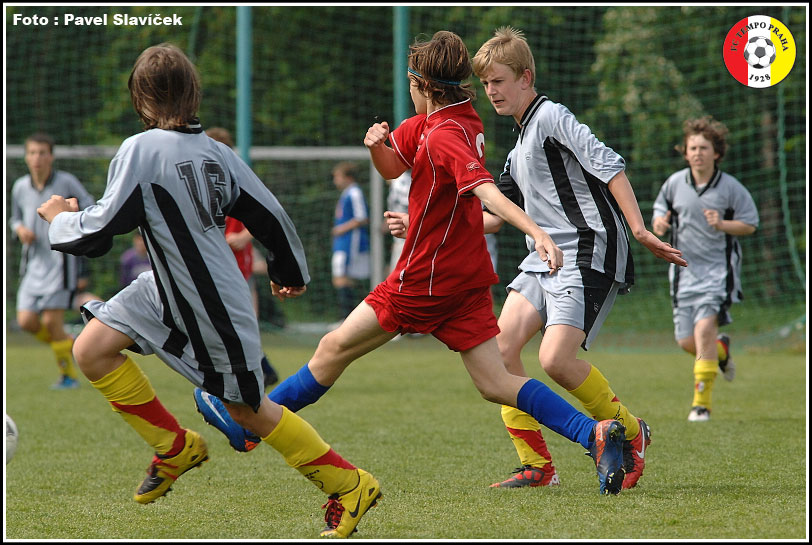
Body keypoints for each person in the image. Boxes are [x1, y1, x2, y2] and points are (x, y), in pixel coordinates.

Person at [195, 30, 629, 496]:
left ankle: (248, 423)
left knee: (332, 349)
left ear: (422, 84)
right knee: (496, 382)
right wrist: (376, 146)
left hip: (425, 278)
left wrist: (537, 232)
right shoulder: (454, 119)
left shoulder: (444, 134)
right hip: (463, 281)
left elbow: (485, 191)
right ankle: (594, 432)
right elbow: (393, 166)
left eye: (410, 82)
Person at [36, 43, 381, 538]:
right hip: (166, 286)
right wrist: (288, 271)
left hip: (210, 303)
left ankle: (349, 484)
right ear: (192, 93)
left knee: (246, 411)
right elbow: (271, 216)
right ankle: (175, 448)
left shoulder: (140, 149)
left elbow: (99, 233)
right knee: (91, 348)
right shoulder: (218, 153)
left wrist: (60, 218)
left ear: (141, 97)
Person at [469, 26, 687, 490]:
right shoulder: (519, 147)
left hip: (586, 249)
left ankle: (631, 432)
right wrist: (422, 224)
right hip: (542, 256)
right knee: (499, 353)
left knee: (555, 359)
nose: (491, 91)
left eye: (499, 81)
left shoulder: (551, 117)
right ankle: (536, 466)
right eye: (486, 83)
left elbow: (610, 165)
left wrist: (640, 230)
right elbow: (495, 217)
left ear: (526, 77)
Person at [652, 116, 758, 422]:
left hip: (717, 273)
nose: (698, 153)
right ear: (685, 153)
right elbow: (659, 214)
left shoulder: (730, 188)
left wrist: (722, 224)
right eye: (693, 148)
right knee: (687, 341)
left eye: (704, 147)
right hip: (683, 274)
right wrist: (660, 224)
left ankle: (701, 404)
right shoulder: (674, 184)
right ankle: (720, 351)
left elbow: (750, 224)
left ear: (716, 152)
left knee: (703, 331)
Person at [9, 132, 95, 390]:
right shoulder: (20, 187)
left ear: (51, 157)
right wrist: (19, 229)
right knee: (26, 321)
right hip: (33, 265)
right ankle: (68, 344)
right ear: (26, 157)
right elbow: (14, 218)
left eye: (42, 153)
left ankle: (68, 376)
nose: (37, 158)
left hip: (61, 264)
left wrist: (70, 214)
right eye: (32, 153)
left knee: (51, 322)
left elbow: (89, 206)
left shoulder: (66, 182)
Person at [206, 126, 279, 390]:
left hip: (237, 263)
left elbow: (266, 212)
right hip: (217, 261)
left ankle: (259, 371)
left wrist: (244, 236)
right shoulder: (203, 179)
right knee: (228, 322)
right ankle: (260, 371)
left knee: (240, 321)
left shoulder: (239, 176)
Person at [330, 161, 371, 321]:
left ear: (348, 177)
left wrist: (341, 229)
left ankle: (346, 319)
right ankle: (348, 319)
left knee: (342, 277)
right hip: (342, 242)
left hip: (350, 242)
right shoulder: (347, 192)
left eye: (338, 177)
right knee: (341, 278)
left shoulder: (354, 192)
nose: (335, 180)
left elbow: (362, 217)